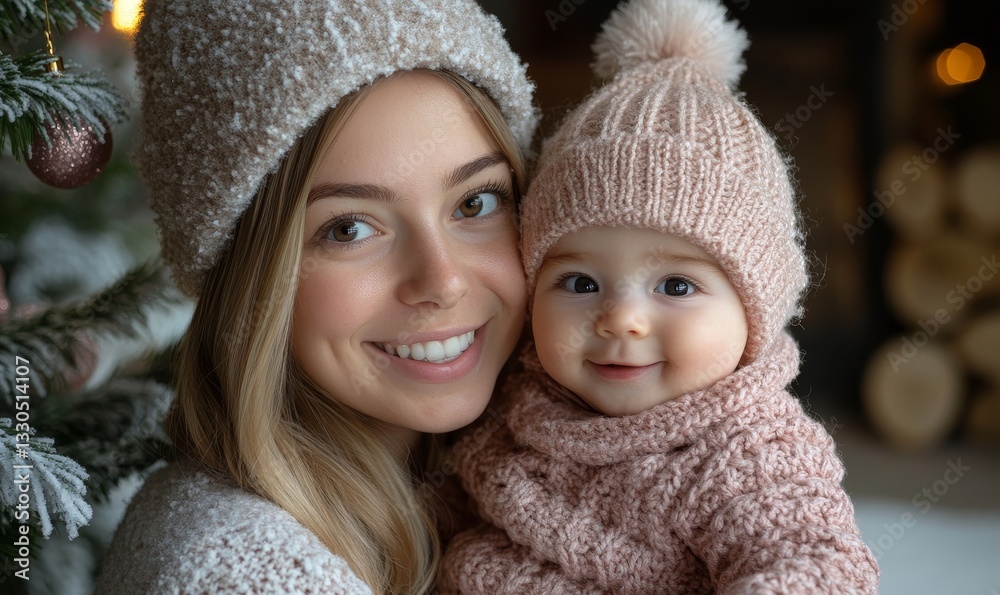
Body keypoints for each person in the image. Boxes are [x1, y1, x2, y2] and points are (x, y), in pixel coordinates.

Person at [94, 1, 538, 593]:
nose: (443, 281)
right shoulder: (242, 574)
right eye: (348, 228)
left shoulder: (492, 492)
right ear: (250, 275)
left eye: (475, 202)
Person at [439, 0, 880, 593]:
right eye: (579, 283)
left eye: (675, 286)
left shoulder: (745, 452)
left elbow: (819, 567)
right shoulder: (513, 401)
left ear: (756, 312)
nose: (621, 318)